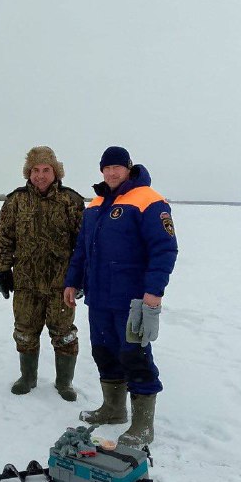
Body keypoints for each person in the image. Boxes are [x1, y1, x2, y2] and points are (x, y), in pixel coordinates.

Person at [64, 146, 178, 449]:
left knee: (135, 356)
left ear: (129, 168)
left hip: (133, 299)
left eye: (117, 167)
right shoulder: (96, 203)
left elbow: (164, 250)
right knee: (104, 352)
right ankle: (113, 409)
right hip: (100, 298)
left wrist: (154, 292)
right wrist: (72, 281)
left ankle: (143, 425)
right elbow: (82, 250)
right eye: (106, 168)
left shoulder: (149, 200)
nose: (112, 173)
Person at [0, 146, 85, 401]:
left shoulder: (72, 201)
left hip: (61, 284)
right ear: (28, 172)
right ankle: (28, 377)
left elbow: (84, 244)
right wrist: (3, 270)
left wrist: (80, 277)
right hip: (25, 283)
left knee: (64, 334)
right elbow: (3, 238)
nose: (40, 175)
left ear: (55, 172)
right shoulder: (16, 200)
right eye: (35, 170)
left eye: (46, 170)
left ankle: (64, 382)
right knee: (25, 331)